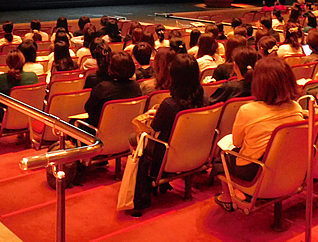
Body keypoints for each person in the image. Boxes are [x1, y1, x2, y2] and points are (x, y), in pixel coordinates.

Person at [214, 57, 304, 211]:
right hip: (286, 165)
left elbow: (236, 142)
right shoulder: (296, 107)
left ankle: (229, 197)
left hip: (256, 169)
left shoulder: (248, 110)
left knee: (221, 156)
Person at [132, 54, 206, 215]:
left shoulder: (170, 104)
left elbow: (155, 126)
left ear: (174, 77)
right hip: (196, 148)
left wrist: (154, 115)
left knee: (137, 141)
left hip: (168, 152)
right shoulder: (204, 100)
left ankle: (141, 196)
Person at [84, 51, 142, 128]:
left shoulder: (103, 88)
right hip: (126, 129)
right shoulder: (136, 86)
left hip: (98, 131)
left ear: (111, 67)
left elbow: (88, 108)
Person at [0, 50, 39, 121]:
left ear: (8, 63)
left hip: (6, 119)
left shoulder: (0, 79)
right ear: (23, 61)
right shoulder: (33, 77)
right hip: (31, 118)